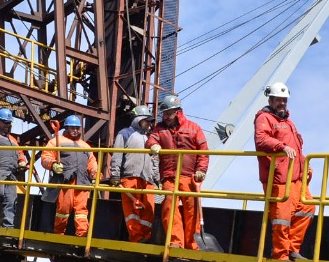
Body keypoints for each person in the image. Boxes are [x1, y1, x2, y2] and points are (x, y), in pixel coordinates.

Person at [253, 81, 314, 261]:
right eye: (278, 100)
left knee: (308, 207)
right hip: (278, 178)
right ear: (270, 100)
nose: (282, 103)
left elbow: (296, 149)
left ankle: (293, 249)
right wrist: (281, 146)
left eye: (284, 100)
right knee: (282, 217)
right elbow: (261, 139)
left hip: (295, 178)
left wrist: (305, 166)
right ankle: (280, 255)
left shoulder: (289, 123)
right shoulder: (264, 118)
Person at [147, 93, 209, 249]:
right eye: (164, 114)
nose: (166, 117)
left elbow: (203, 151)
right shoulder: (160, 128)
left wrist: (201, 170)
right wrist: (153, 145)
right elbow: (151, 140)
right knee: (169, 208)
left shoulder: (193, 128)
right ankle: (176, 242)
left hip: (189, 177)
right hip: (169, 177)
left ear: (177, 112)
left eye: (169, 113)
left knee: (192, 210)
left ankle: (192, 244)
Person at [39, 114, 99, 236]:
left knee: (82, 211)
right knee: (63, 210)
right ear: (66, 128)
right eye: (72, 128)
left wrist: (95, 174)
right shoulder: (56, 142)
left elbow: (92, 162)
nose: (75, 130)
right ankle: (59, 235)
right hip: (65, 181)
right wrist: (53, 164)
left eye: (77, 128)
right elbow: (45, 157)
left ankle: (82, 236)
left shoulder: (85, 146)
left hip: (82, 182)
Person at [107, 105, 159, 243]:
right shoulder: (125, 133)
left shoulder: (150, 138)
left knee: (148, 211)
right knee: (132, 212)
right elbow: (117, 155)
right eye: (146, 120)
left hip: (147, 180)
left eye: (150, 121)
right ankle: (136, 238)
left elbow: (154, 160)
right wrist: (115, 174)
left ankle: (146, 239)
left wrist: (156, 178)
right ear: (138, 119)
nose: (149, 124)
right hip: (130, 177)